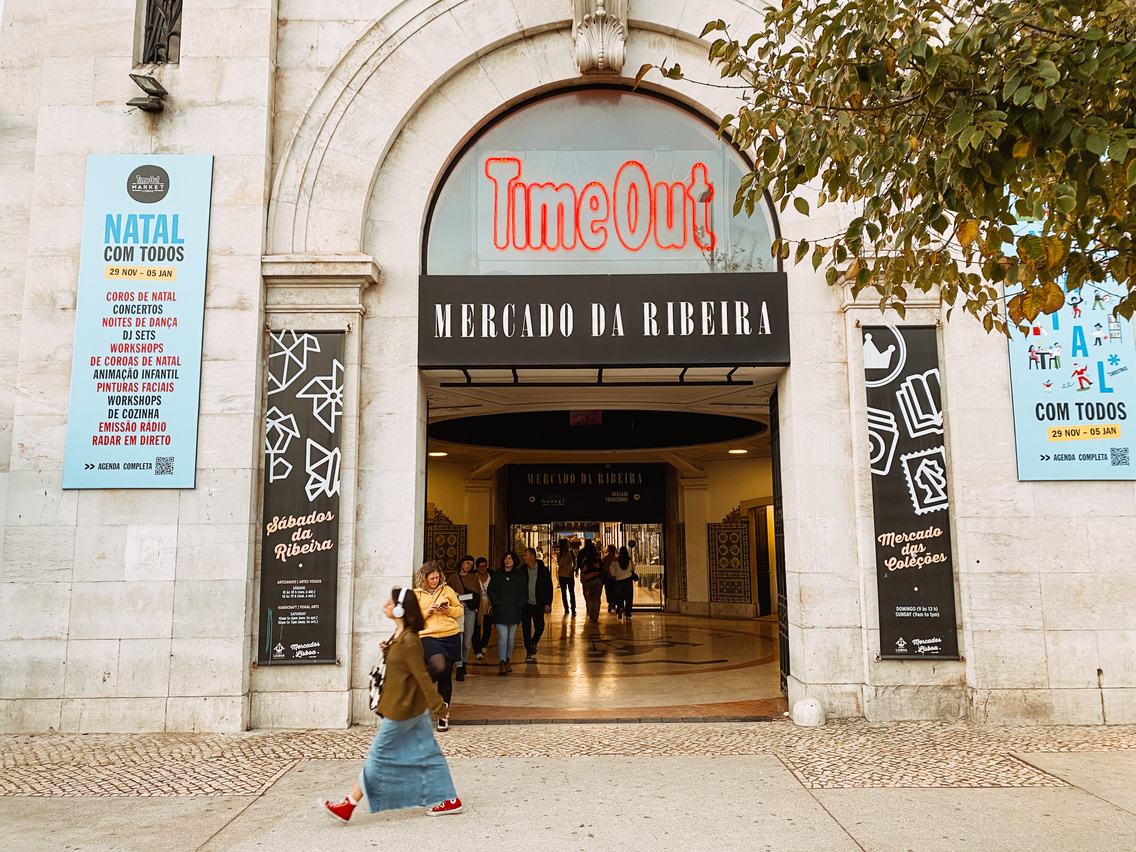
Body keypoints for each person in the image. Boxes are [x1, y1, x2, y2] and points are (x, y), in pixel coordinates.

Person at [320, 586, 462, 823]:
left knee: (377, 755)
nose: (385, 605)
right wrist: (387, 650)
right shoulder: (399, 637)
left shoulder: (408, 641)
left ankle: (348, 804)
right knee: (428, 754)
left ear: (399, 609)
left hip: (402, 710)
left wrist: (440, 708)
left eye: (390, 602)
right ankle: (451, 800)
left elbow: (422, 677)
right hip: (407, 707)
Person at [412, 562, 463, 732]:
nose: (435, 581)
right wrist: (428, 611)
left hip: (451, 635)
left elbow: (459, 610)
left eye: (437, 578)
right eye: (432, 578)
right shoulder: (416, 595)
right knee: (438, 667)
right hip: (429, 636)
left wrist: (447, 611)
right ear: (424, 579)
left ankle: (443, 715)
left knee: (446, 675)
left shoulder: (447, 590)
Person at [487, 551, 526, 675]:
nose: (507, 561)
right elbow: (491, 590)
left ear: (514, 561)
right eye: (505, 558)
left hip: (514, 612)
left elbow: (524, 592)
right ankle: (502, 661)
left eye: (510, 559)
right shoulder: (497, 575)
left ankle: (508, 659)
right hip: (500, 612)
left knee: (511, 638)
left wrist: (519, 605)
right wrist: (496, 602)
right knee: (503, 636)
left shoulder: (519, 575)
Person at [448, 555, 480, 682]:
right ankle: (459, 666)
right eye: (467, 563)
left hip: (470, 611)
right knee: (459, 640)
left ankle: (464, 661)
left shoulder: (474, 578)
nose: (469, 566)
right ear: (461, 563)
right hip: (458, 611)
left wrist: (480, 617)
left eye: (471, 565)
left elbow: (478, 598)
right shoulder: (453, 578)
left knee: (467, 642)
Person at [520, 547, 554, 661]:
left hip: (538, 603)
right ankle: (528, 651)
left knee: (540, 626)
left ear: (533, 556)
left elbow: (549, 587)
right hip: (526, 604)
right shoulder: (522, 570)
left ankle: (533, 642)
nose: (524, 557)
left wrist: (548, 603)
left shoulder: (543, 570)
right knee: (526, 628)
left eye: (526, 555)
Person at [471, 556, 493, 660]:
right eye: (481, 567)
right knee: (476, 627)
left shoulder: (491, 575)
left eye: (485, 566)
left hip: (488, 604)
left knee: (488, 626)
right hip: (477, 604)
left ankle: (484, 644)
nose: (483, 568)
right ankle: (477, 650)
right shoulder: (473, 577)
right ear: (477, 568)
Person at [578, 541, 605, 623]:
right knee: (597, 598)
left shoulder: (585, 560)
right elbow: (602, 567)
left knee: (591, 597)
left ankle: (590, 614)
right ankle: (595, 616)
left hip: (589, 580)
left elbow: (583, 569)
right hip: (598, 580)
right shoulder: (598, 558)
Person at [609, 545, 635, 621]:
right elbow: (633, 568)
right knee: (629, 598)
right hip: (628, 581)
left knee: (619, 596)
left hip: (618, 581)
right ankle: (628, 614)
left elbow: (612, 572)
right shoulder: (629, 560)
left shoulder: (615, 561)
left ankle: (620, 607)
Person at [555, 538, 577, 615]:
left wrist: (574, 569)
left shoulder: (571, 552)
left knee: (572, 592)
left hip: (570, 575)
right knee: (563, 593)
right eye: (565, 545)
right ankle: (566, 608)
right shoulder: (559, 554)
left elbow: (575, 562)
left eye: (567, 544)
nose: (566, 546)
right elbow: (559, 564)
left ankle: (573, 608)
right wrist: (563, 556)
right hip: (562, 575)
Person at [602, 544, 619, 612]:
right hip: (616, 577)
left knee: (608, 590)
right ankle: (615, 603)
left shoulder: (605, 558)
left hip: (608, 577)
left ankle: (610, 603)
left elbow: (605, 567)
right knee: (615, 590)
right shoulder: (617, 558)